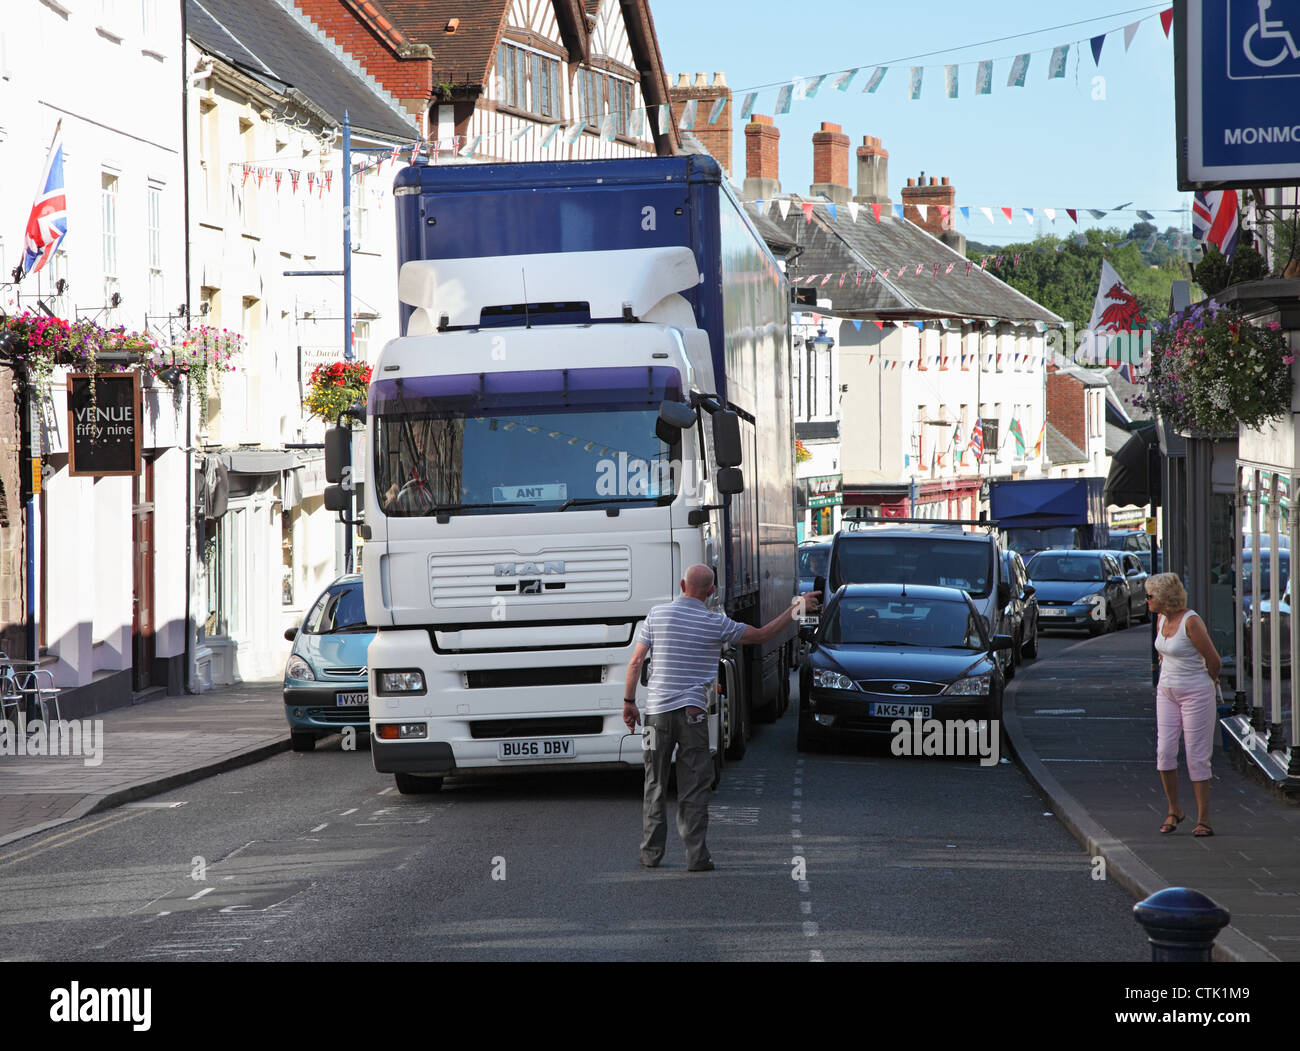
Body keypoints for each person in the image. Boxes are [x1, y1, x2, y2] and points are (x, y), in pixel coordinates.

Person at [623, 564, 819, 871]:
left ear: (681, 585)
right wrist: (797, 608)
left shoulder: (656, 616)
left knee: (654, 782)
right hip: (693, 716)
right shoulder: (716, 623)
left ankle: (650, 853)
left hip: (656, 716)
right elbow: (763, 634)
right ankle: (696, 856)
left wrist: (629, 702)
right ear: (712, 592)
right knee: (694, 786)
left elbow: (635, 662)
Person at [1146, 572, 1222, 837]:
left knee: (1197, 756)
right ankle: (1174, 809)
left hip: (1196, 693)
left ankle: (1204, 819)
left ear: (1165, 598)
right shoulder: (1160, 618)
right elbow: (1162, 652)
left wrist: (1208, 683)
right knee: (1164, 753)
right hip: (1166, 691)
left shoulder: (1191, 622)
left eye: (1150, 595)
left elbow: (1214, 660)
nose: (1146, 600)